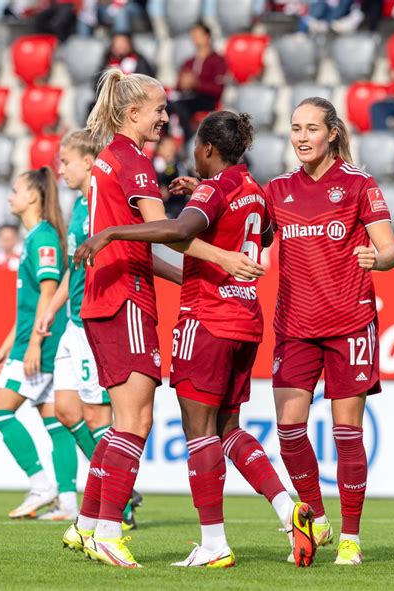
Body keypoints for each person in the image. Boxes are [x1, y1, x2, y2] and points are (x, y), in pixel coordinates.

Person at [74, 110, 317, 569]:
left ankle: (213, 542)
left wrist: (112, 231)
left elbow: (181, 232)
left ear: (207, 149)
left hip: (206, 319)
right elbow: (264, 234)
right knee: (228, 428)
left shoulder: (214, 188)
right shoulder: (254, 191)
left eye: (197, 150)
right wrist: (203, 193)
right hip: (246, 318)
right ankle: (289, 510)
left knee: (198, 432)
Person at [62, 69, 265, 569]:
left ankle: (87, 525)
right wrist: (221, 260)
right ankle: (110, 531)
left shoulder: (112, 158)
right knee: (137, 419)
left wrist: (192, 278)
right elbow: (172, 231)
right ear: (132, 113)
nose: (163, 117)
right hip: (126, 299)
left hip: (109, 295)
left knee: (119, 422)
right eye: (157, 108)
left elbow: (143, 243)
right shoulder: (131, 161)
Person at [265, 96, 394, 566]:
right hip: (295, 327)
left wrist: (374, 258)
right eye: (295, 128)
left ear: (332, 133)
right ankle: (318, 518)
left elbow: (390, 251)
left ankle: (351, 537)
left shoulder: (360, 184)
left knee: (347, 434)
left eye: (311, 129)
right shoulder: (278, 189)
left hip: (349, 323)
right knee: (287, 430)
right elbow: (243, 228)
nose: (302, 137)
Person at [34, 130, 140, 526]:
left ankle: (118, 501)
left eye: (66, 161)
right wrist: (51, 309)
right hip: (71, 324)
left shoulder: (100, 205)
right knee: (65, 409)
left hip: (93, 322)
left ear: (89, 163)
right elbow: (73, 268)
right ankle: (118, 489)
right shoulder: (79, 207)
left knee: (98, 418)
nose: (60, 169)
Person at [0, 167, 78, 519]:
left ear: (33, 197)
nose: (9, 196)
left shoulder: (43, 239)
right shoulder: (35, 237)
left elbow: (49, 294)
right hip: (29, 340)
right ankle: (69, 503)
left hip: (40, 344)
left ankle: (42, 485)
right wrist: (7, 345)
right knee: (54, 422)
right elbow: (29, 306)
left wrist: (34, 346)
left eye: (15, 190)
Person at [168, 21, 227, 141]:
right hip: (188, 97)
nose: (195, 39)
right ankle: (165, 140)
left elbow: (218, 89)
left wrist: (197, 84)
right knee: (165, 105)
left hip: (207, 99)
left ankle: (188, 139)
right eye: (193, 37)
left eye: (198, 36)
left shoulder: (217, 61)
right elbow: (178, 85)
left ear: (207, 37)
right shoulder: (189, 62)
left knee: (180, 106)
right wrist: (182, 83)